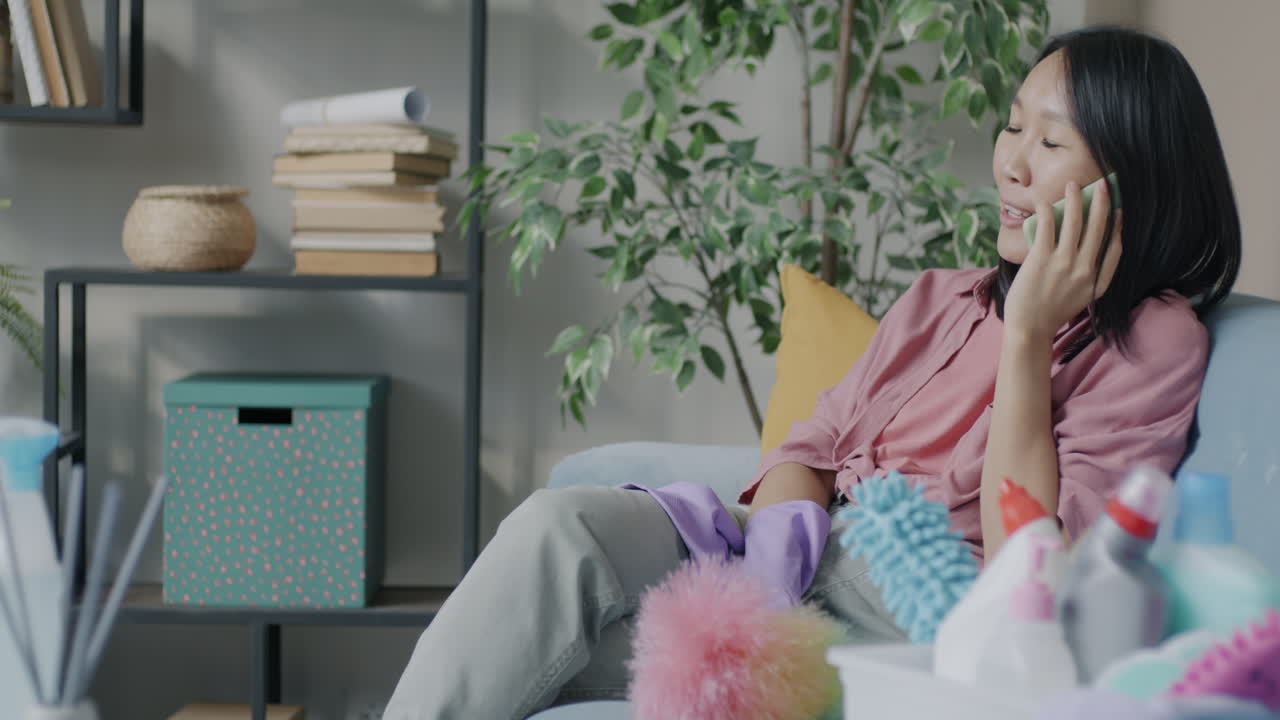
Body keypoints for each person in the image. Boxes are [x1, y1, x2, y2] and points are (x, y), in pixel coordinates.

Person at [383, 25, 1241, 720]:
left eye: (1051, 141)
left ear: (1130, 184)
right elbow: (815, 442)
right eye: (1014, 126)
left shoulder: (1153, 342)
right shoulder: (941, 297)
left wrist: (1028, 339)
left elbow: (1030, 569)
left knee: (547, 649)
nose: (1011, 162)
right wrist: (773, 563)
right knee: (557, 526)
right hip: (796, 547)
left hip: (911, 614)